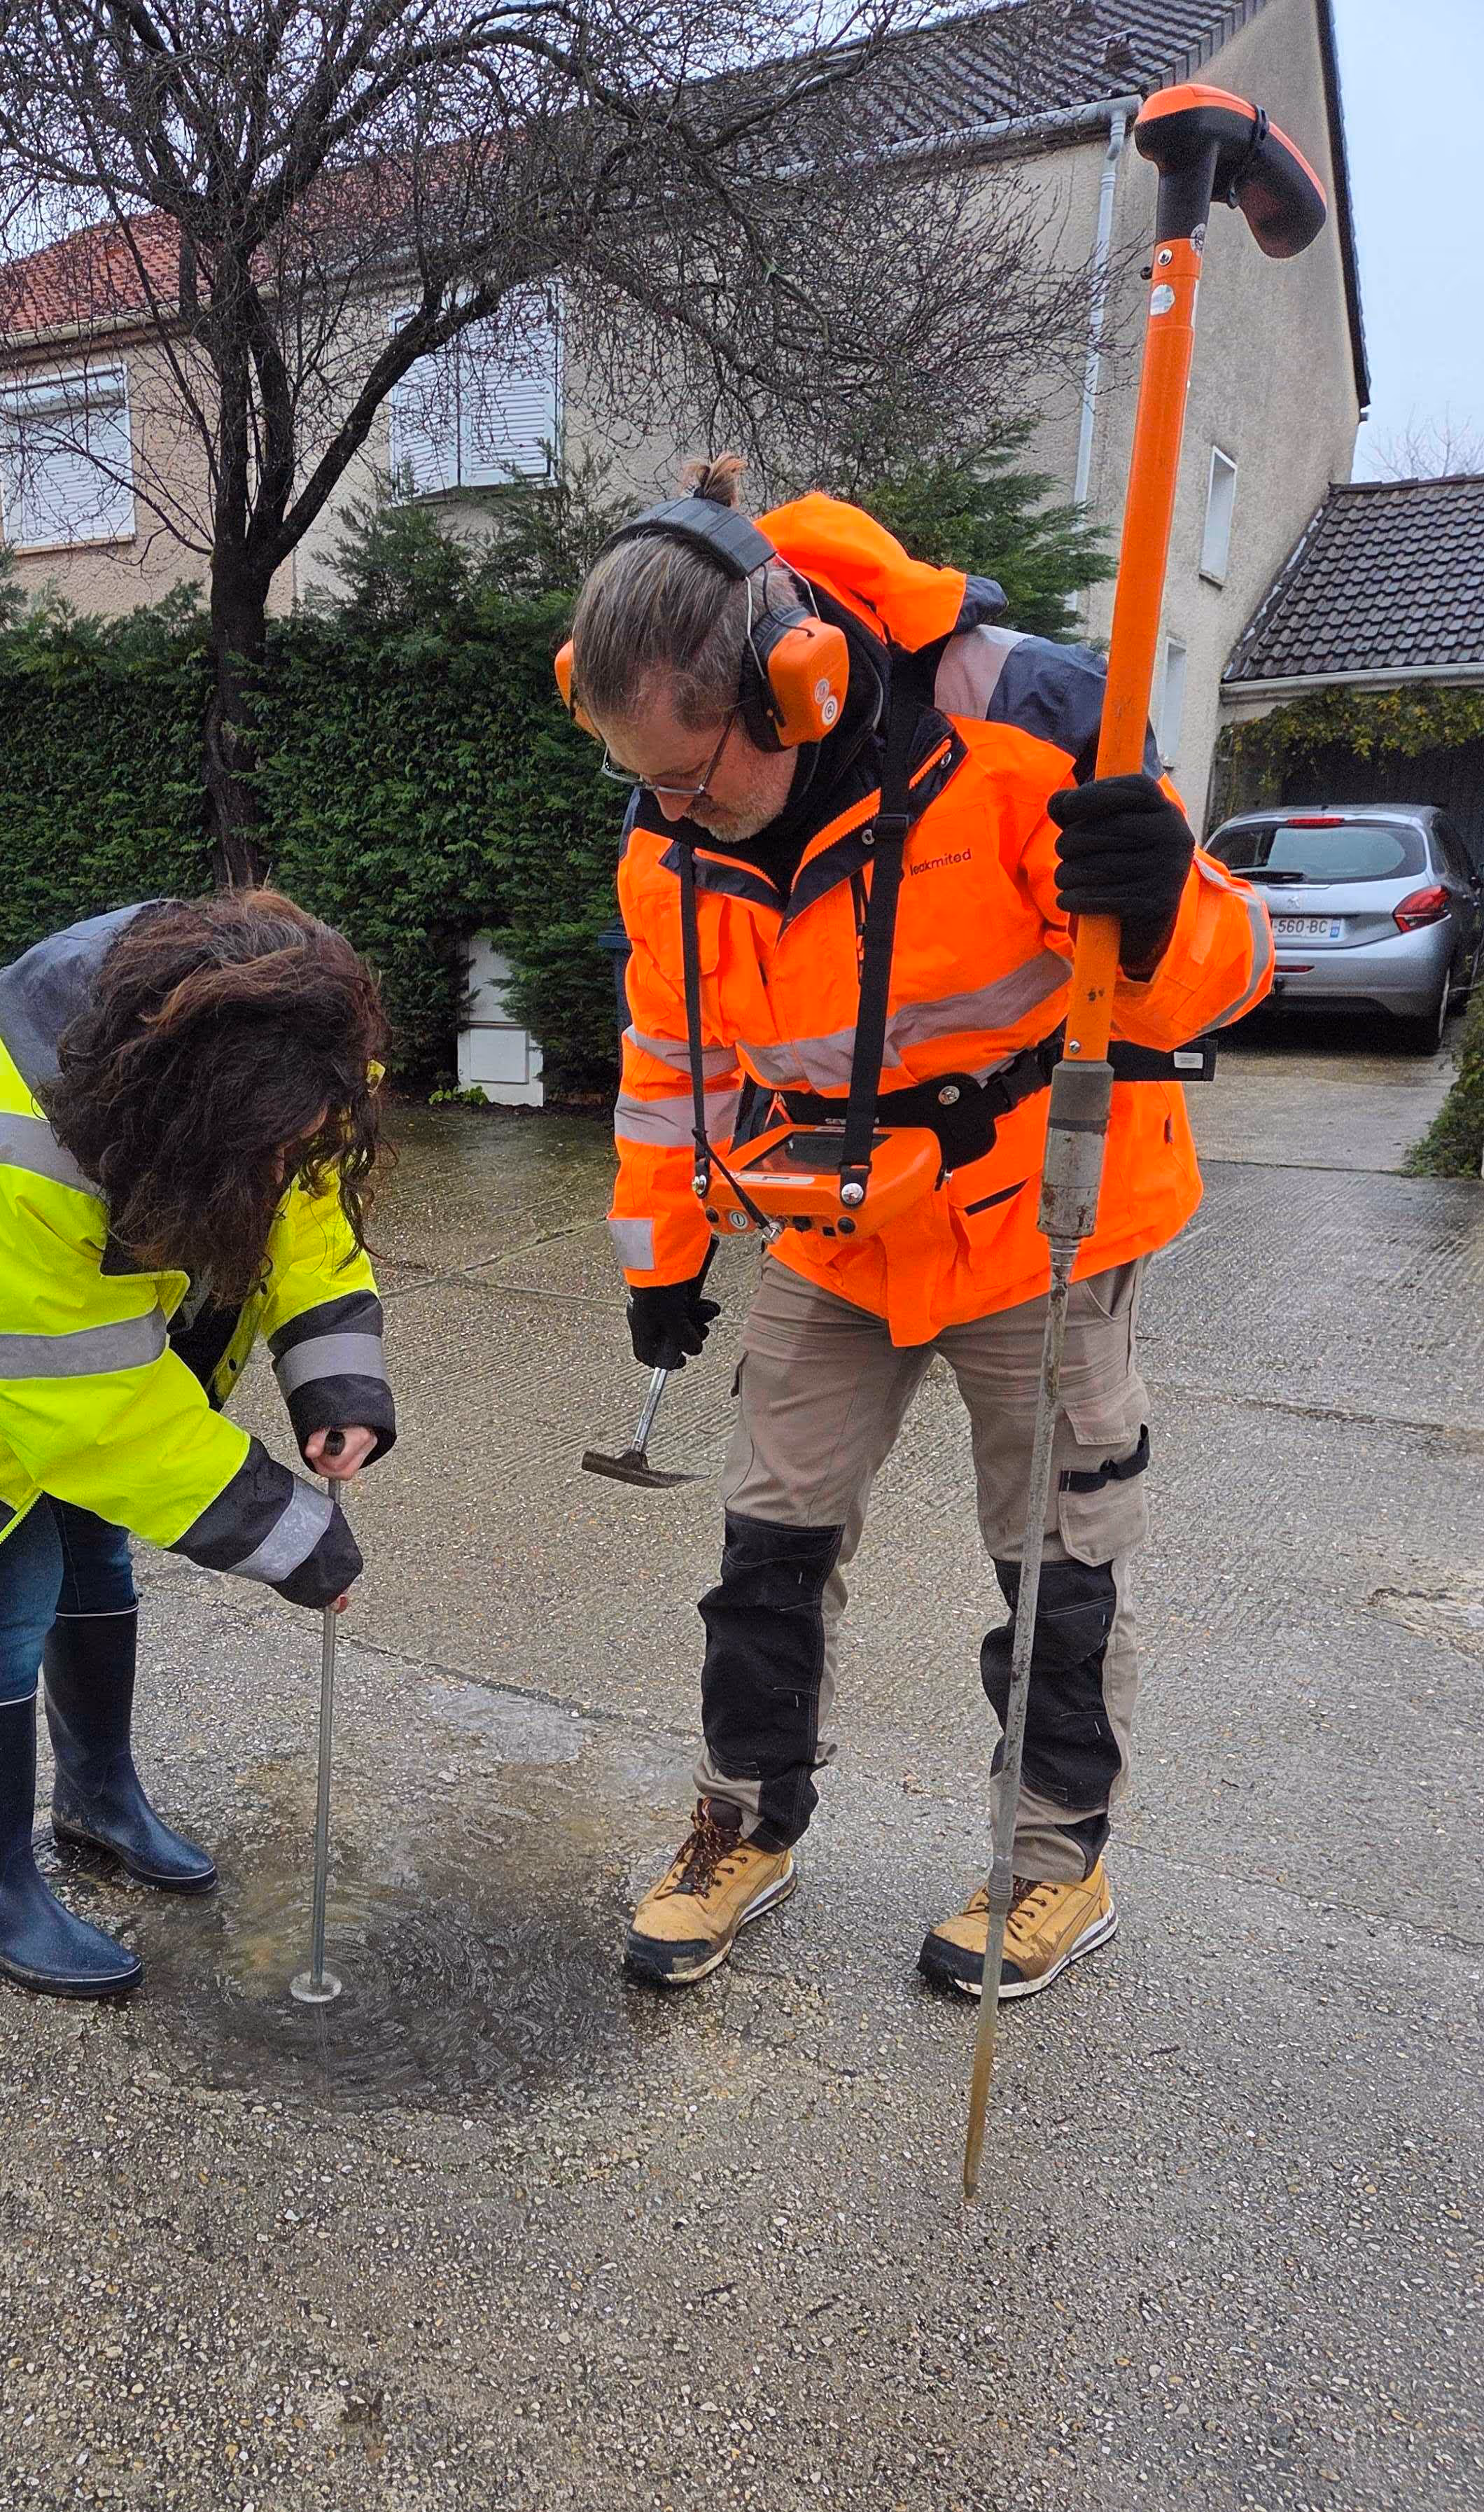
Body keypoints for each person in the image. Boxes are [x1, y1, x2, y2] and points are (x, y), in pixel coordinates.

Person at [561, 461, 1270, 1997]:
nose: (666, 809)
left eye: (691, 775)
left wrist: (1161, 909)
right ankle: (745, 1824)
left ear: (796, 687)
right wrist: (661, 1255)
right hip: (831, 1226)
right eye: (640, 777)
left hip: (1040, 1221)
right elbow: (670, 1060)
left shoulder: (1025, 722)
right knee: (769, 1543)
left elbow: (1210, 984)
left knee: (1055, 1565)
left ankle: (1051, 1862)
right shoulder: (667, 831)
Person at [0, 891, 394, 1999]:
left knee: (97, 1546)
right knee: (16, 1583)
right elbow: (94, 1409)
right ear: (179, 1115)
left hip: (48, 1329)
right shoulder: (0, 1142)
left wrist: (337, 1377)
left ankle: (99, 1797)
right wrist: (292, 1537)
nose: (278, 1165)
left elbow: (301, 1201)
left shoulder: (283, 1033)